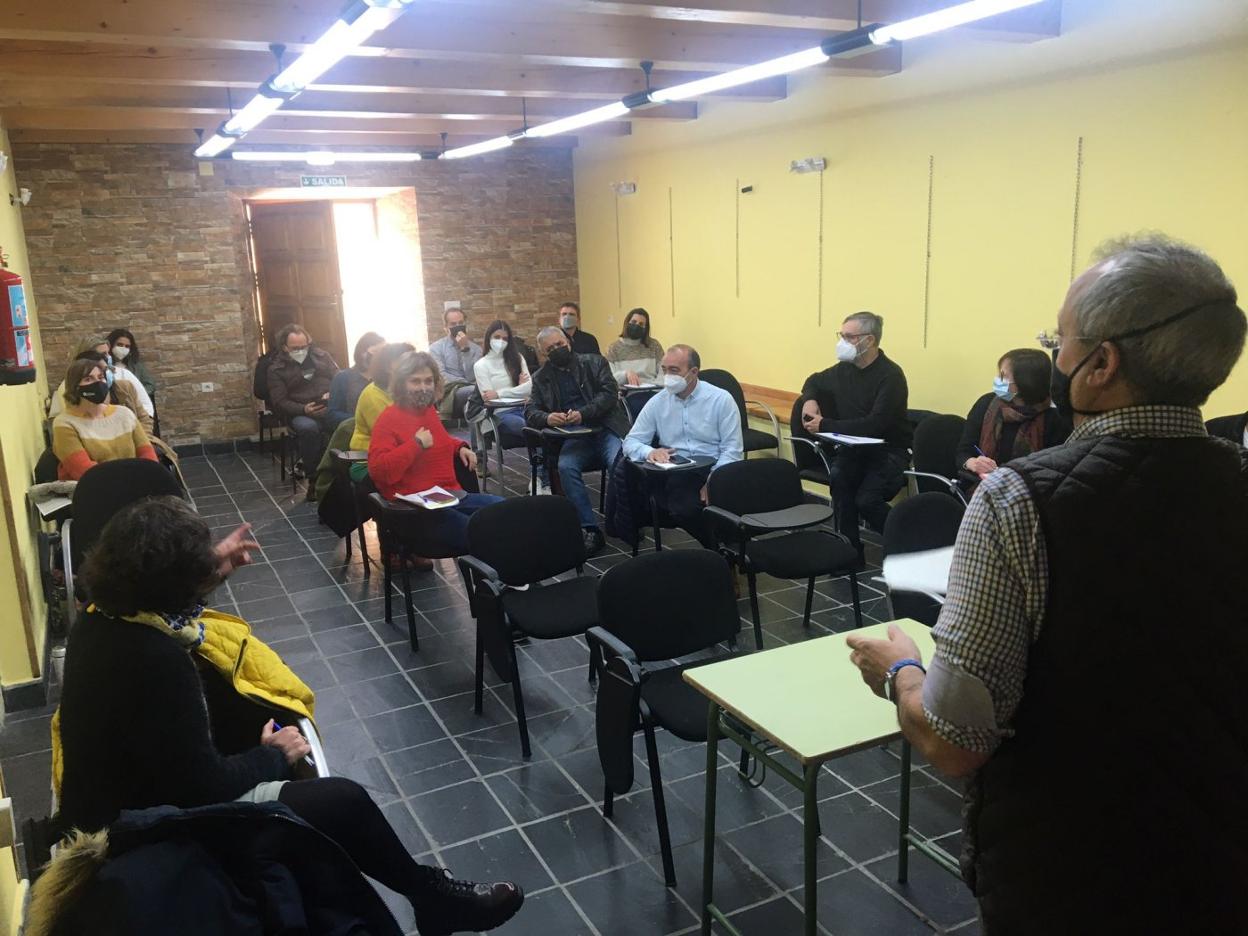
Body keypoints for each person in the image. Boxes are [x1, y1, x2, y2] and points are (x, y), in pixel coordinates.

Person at [845, 235, 1248, 935]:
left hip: (1071, 867)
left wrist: (902, 673)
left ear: (1101, 364)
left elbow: (954, 740)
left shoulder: (1018, 501)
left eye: (1056, 338)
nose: (1051, 355)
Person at [57, 496, 524, 935]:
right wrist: (272, 756)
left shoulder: (102, 622)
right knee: (342, 801)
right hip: (146, 829)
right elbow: (203, 786)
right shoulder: (157, 660)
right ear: (171, 585)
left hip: (115, 802)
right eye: (197, 571)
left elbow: (177, 611)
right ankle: (430, 898)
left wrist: (211, 568)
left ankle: (427, 895)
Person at [795, 312, 911, 556]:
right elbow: (813, 380)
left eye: (849, 337)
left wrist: (825, 424)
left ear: (869, 341)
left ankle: (908, 543)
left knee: (866, 500)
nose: (842, 342)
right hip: (852, 449)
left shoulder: (891, 376)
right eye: (841, 335)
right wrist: (809, 400)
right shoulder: (844, 368)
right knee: (839, 480)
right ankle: (849, 550)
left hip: (887, 451)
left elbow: (875, 424)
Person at [369, 352, 503, 555]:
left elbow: (441, 442)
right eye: (415, 381)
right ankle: (496, 579)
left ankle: (505, 575)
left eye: (428, 381)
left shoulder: (428, 411)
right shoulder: (388, 419)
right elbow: (379, 472)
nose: (423, 387)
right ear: (401, 384)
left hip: (448, 496)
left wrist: (460, 447)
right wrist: (415, 445)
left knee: (504, 512)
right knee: (481, 532)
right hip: (416, 510)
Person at [622, 344, 742, 546]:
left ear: (693, 372)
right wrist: (650, 451)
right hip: (678, 470)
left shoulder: (721, 400)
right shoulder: (658, 402)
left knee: (724, 502)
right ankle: (721, 552)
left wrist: (714, 480)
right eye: (664, 370)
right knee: (683, 508)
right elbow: (630, 442)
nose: (667, 376)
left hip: (715, 467)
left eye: (674, 371)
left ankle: (727, 550)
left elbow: (733, 449)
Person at [526, 326, 627, 555]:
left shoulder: (595, 362)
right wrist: (548, 417)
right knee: (565, 466)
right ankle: (590, 529)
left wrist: (584, 413)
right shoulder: (541, 378)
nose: (557, 350)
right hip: (574, 436)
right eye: (550, 349)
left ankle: (621, 519)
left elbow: (609, 394)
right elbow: (531, 411)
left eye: (559, 345)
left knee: (619, 462)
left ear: (568, 342)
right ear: (544, 353)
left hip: (605, 428)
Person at [956, 348, 1070, 488]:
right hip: (980, 487)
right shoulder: (986, 404)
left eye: (1004, 377)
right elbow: (963, 451)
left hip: (1030, 493)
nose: (998, 380)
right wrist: (971, 462)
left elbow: (1054, 470)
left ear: (1025, 383)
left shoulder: (1054, 419)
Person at [52, 357, 158, 480]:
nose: (97, 383)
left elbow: (148, 455)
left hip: (134, 482)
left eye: (101, 377)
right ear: (75, 387)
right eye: (88, 379)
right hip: (94, 488)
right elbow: (84, 471)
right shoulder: (64, 423)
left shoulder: (124, 414)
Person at [472, 320, 547, 492]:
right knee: (531, 429)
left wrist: (500, 392)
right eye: (496, 337)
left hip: (525, 408)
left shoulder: (517, 358)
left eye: (505, 338)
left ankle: (540, 480)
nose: (501, 341)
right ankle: (540, 480)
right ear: (488, 338)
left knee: (543, 427)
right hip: (498, 415)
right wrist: (516, 389)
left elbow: (529, 387)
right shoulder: (481, 365)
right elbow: (489, 399)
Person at [266, 324, 340, 493]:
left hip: (328, 404)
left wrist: (333, 392)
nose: (300, 350)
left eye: (304, 346)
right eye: (295, 348)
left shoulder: (323, 357)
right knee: (309, 429)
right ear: (285, 347)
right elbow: (279, 401)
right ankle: (314, 479)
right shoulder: (276, 369)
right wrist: (303, 409)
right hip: (300, 411)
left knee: (347, 421)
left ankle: (342, 472)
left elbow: (339, 377)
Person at [50, 335, 155, 422]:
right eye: (102, 354)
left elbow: (145, 409)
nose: (107, 357)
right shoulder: (68, 386)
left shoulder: (123, 377)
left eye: (108, 353)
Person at [607, 307, 665, 420]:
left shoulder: (654, 346)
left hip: (654, 391)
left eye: (641, 324)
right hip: (629, 394)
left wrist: (657, 386)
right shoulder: (613, 348)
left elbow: (664, 371)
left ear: (645, 328)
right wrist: (625, 374)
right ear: (627, 323)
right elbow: (609, 378)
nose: (637, 325)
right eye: (633, 322)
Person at [428, 307, 482, 420]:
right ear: (446, 328)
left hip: (473, 389)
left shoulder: (476, 349)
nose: (458, 326)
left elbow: (474, 376)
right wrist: (466, 384)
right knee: (474, 392)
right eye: (453, 324)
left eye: (461, 323)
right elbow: (441, 376)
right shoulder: (436, 348)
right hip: (449, 392)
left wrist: (465, 349)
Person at [327, 331, 386, 426]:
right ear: (362, 353)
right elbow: (332, 414)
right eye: (377, 353)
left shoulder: (386, 378)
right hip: (353, 429)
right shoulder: (343, 377)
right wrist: (360, 419)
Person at [106, 328, 158, 399]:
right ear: (111, 345)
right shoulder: (103, 364)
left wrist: (137, 395)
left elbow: (150, 385)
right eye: (119, 345)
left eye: (127, 346)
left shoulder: (135, 364)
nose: (123, 348)